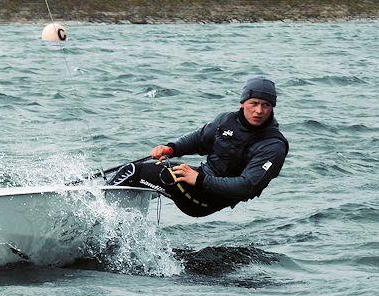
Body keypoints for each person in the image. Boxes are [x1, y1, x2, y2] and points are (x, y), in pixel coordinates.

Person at [109, 76, 289, 217]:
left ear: (272, 107)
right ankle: (117, 228)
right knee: (139, 176)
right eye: (254, 103)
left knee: (134, 171)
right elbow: (199, 139)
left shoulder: (273, 146)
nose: (259, 111)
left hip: (207, 198)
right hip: (201, 179)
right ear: (243, 103)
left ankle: (97, 210)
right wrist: (171, 148)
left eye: (266, 105)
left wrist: (200, 180)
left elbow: (246, 185)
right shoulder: (227, 120)